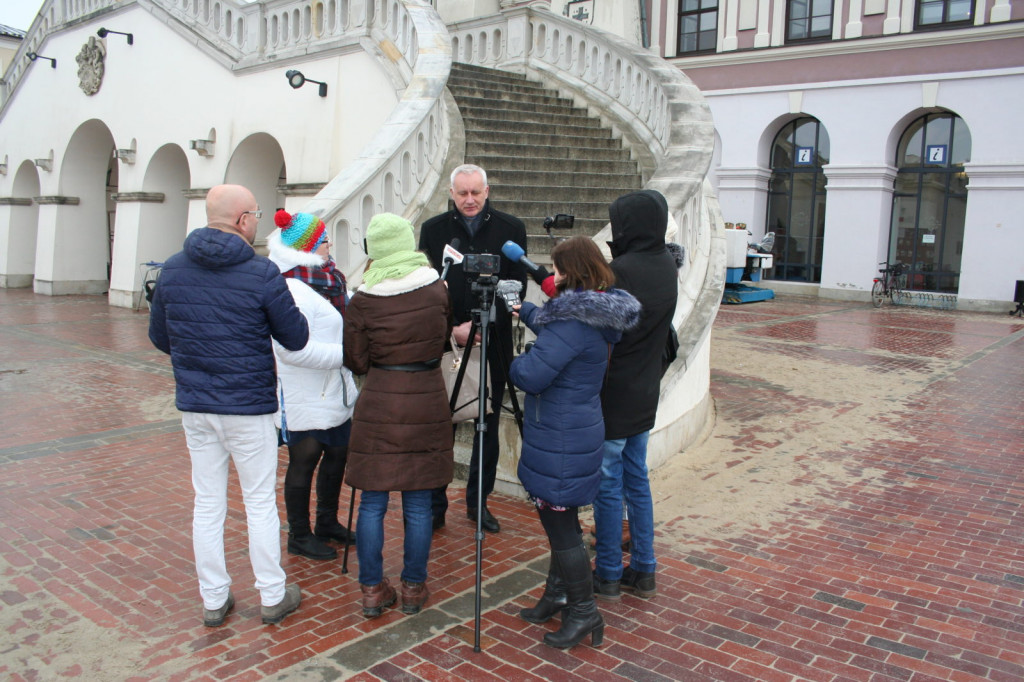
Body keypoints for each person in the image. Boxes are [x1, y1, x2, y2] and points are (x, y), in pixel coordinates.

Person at [148, 184, 307, 627]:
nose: (257, 220)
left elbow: (161, 337)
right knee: (258, 501)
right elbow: (295, 337)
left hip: (197, 405)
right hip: (248, 406)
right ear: (241, 220)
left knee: (208, 501)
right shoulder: (260, 273)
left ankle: (214, 598)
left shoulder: (174, 269)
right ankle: (272, 595)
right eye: (254, 213)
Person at [509, 236, 640, 649]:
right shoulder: (594, 315)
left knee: (561, 526)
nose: (555, 275)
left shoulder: (571, 322)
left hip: (561, 436)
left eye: (559, 268)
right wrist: (526, 310)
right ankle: (557, 594)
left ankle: (585, 612)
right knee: (557, 520)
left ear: (573, 272)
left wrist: (512, 359)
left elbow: (531, 374)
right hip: (575, 428)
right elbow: (559, 334)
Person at [343, 212, 454, 618]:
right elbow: (443, 340)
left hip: (379, 403)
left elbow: (355, 359)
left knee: (372, 502)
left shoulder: (363, 300)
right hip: (425, 398)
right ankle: (412, 587)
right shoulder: (436, 290)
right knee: (419, 502)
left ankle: (372, 590)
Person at [419, 164, 528, 534]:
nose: (469, 200)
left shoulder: (511, 229)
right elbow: (425, 287)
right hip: (446, 342)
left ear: (487, 191)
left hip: (492, 342)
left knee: (488, 423)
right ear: (452, 193)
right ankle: (434, 504)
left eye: (475, 193)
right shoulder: (434, 230)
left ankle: (477, 503)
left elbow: (517, 288)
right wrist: (454, 328)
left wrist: (482, 324)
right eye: (462, 193)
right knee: (439, 425)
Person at [592, 189, 681, 602]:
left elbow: (601, 327)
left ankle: (608, 570)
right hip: (646, 389)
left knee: (608, 484)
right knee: (636, 479)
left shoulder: (622, 270)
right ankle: (644, 567)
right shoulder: (666, 263)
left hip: (615, 392)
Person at [267, 209, 359, 561]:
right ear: (306, 248)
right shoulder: (291, 287)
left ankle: (327, 522)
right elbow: (293, 349)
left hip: (334, 390)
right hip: (304, 391)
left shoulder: (327, 279)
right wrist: (346, 355)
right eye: (323, 240)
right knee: (304, 461)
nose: (329, 244)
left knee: (336, 456)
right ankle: (300, 535)